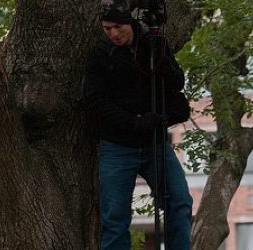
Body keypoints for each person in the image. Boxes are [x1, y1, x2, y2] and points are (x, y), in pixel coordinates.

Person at [82, 1, 193, 249]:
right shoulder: (100, 54)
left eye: (118, 27)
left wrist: (160, 55)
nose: (113, 34)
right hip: (117, 146)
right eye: (107, 28)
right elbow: (94, 101)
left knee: (180, 201)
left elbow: (176, 83)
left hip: (154, 144)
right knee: (115, 217)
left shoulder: (152, 44)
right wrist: (134, 121)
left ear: (129, 22)